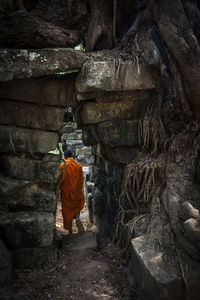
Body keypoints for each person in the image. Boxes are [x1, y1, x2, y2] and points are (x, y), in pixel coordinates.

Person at [59, 149, 85, 234]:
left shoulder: (63, 166)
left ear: (65, 156)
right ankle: (77, 218)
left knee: (67, 211)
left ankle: (70, 230)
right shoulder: (78, 165)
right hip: (77, 192)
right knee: (76, 206)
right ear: (72, 156)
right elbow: (81, 180)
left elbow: (60, 179)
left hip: (67, 193)